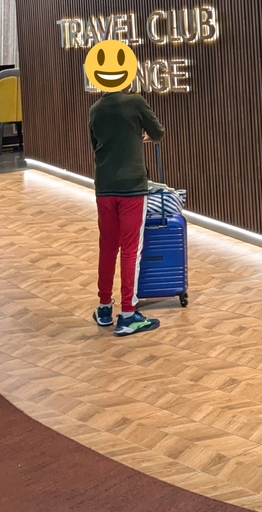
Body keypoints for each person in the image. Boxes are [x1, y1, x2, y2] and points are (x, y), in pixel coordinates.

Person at [88, 86, 165, 336]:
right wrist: (139, 135)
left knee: (108, 247)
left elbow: (97, 145)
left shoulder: (95, 109)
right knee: (131, 250)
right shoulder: (135, 102)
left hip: (104, 187)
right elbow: (158, 133)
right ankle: (128, 314)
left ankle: (104, 308)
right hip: (132, 187)